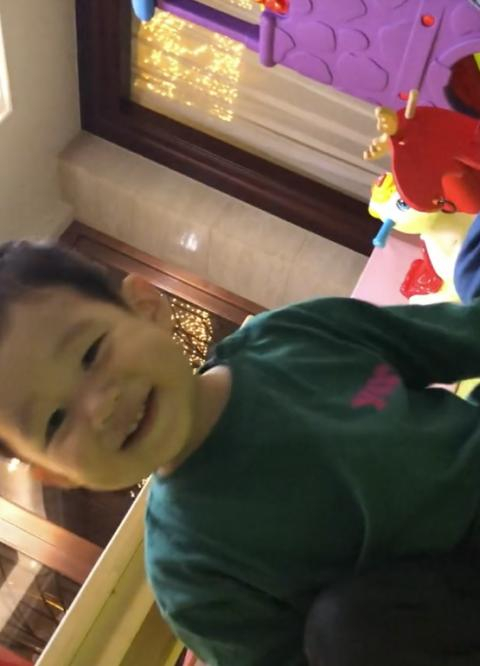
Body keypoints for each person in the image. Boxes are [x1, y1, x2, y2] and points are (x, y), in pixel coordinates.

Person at [1, 239, 480, 665]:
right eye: (54, 421)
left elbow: (454, 335)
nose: (100, 407)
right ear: (55, 474)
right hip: (443, 612)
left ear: (144, 307)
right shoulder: (189, 573)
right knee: (344, 632)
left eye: (90, 353)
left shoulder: (290, 337)